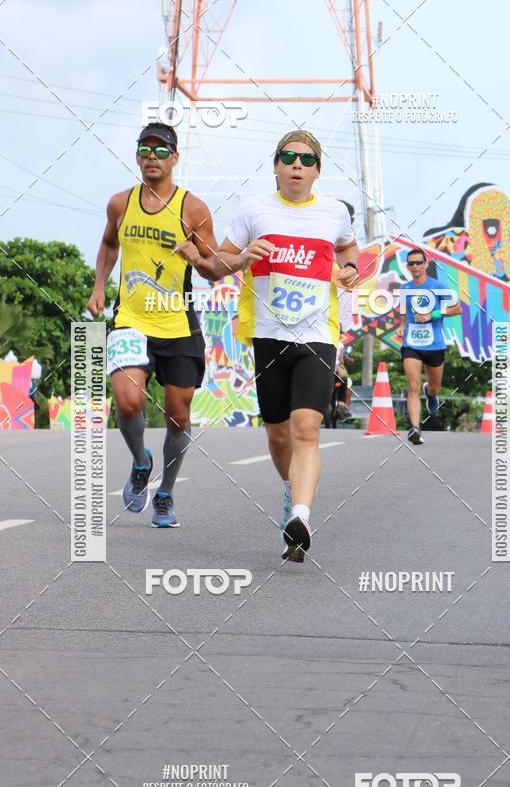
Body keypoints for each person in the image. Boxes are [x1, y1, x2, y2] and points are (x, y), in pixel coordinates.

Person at [210, 130, 360, 561]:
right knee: (278, 436)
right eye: (288, 157)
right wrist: (240, 259)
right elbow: (219, 263)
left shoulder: (333, 213)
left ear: (317, 170)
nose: (297, 165)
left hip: (317, 333)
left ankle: (301, 514)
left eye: (306, 159)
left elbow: (349, 247)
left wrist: (349, 268)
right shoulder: (254, 211)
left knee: (306, 429)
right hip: (269, 334)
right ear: (275, 165)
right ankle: (289, 488)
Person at [87, 122, 219, 526]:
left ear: (175, 158)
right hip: (130, 319)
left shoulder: (191, 209)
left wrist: (196, 257)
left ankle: (165, 493)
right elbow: (110, 243)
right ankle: (141, 461)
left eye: (162, 151)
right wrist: (99, 286)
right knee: (128, 402)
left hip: (178, 324)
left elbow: (216, 267)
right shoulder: (119, 204)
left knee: (179, 415)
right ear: (137, 156)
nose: (152, 157)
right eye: (146, 149)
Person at [398, 248, 462, 445]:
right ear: (408, 267)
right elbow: (403, 311)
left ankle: (431, 393)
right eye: (411, 263)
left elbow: (457, 308)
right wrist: (401, 326)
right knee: (412, 385)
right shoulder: (405, 289)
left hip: (434, 344)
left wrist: (432, 315)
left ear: (426, 264)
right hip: (412, 343)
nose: (415, 266)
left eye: (419, 262)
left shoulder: (438, 286)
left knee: (434, 387)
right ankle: (415, 428)